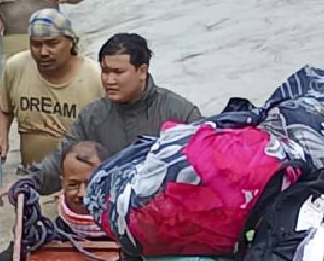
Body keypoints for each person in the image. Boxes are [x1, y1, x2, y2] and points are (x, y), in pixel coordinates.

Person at [26, 33, 202, 195]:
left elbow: (203, 169)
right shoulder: (92, 116)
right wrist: (30, 182)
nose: (109, 80)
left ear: (142, 71)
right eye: (105, 71)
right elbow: (61, 161)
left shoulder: (181, 114)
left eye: (118, 72)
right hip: (107, 209)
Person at [0, 9, 104, 167]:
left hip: (77, 177)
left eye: (52, 44)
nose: (43, 52)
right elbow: (3, 104)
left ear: (71, 42)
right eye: (36, 45)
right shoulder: (16, 66)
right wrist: (2, 138)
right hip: (30, 172)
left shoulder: (96, 76)